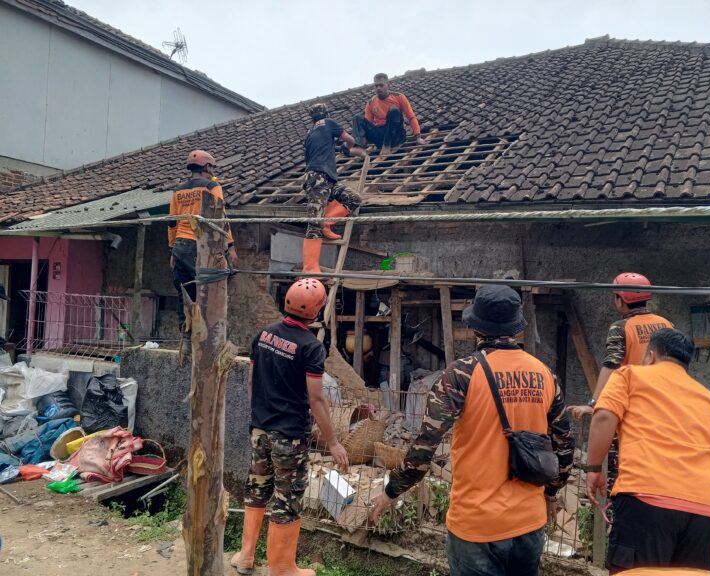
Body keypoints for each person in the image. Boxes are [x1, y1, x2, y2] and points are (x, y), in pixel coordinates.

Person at [369, 285, 573, 576]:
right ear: (517, 328)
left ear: (475, 327)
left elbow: (425, 445)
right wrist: (552, 493)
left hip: (477, 524)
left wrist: (391, 491)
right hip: (529, 522)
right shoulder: (544, 373)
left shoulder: (461, 374)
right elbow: (564, 444)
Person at [586, 329, 710, 573]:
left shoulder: (629, 376)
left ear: (650, 356)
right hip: (705, 515)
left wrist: (594, 468)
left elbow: (604, 416)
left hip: (646, 501)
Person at [231, 278, 350, 575]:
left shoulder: (263, 335)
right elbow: (316, 398)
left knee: (257, 488)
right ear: (318, 309)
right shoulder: (310, 347)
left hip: (259, 429)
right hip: (289, 436)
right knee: (287, 496)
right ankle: (282, 568)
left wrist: (262, 413)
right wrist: (334, 442)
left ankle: (246, 557)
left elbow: (250, 381)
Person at [568, 272, 673, 492]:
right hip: (662, 407)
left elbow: (611, 365)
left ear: (620, 299)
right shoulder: (666, 325)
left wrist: (594, 402)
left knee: (621, 471)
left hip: (631, 408)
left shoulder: (620, 328)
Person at [168, 150, 237, 355]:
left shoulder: (177, 191)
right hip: (201, 246)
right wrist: (230, 247)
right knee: (210, 292)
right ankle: (209, 342)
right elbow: (219, 218)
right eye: (212, 168)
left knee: (185, 294)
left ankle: (188, 340)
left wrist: (172, 250)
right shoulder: (212, 186)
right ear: (207, 167)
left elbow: (172, 223)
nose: (213, 172)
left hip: (181, 245)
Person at [301, 103, 365, 274]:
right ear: (326, 113)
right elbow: (350, 140)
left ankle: (326, 223)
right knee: (314, 223)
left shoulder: (310, 134)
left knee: (354, 199)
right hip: (318, 177)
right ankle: (310, 269)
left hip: (327, 178)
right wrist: (350, 148)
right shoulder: (329, 123)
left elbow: (311, 157)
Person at [352, 73, 426, 155]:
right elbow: (366, 126)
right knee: (357, 118)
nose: (378, 88)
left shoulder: (399, 97)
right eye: (376, 86)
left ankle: (386, 145)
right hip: (380, 137)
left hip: (396, 135)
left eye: (381, 85)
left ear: (387, 85)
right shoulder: (371, 103)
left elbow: (411, 117)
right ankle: (359, 147)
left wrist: (418, 137)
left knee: (394, 110)